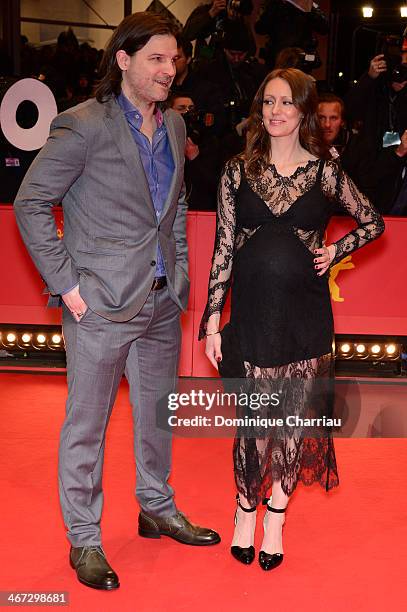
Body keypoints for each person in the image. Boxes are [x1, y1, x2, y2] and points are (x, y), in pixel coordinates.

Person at [14, 12, 220, 592]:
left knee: (158, 416)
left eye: (174, 59)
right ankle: (84, 538)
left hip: (159, 303)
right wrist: (69, 287)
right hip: (99, 305)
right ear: (124, 60)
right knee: (88, 426)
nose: (168, 70)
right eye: (156, 58)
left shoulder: (175, 129)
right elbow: (31, 203)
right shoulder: (81, 126)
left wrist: (177, 273)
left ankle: (156, 505)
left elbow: (173, 207)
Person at [200, 68, 384, 571]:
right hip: (252, 317)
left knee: (291, 425)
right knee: (254, 423)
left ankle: (275, 519)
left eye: (285, 103)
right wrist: (212, 319)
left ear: (303, 111)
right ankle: (244, 510)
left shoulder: (325, 172)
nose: (275, 111)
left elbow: (373, 221)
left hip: (306, 316)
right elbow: (222, 250)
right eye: (268, 102)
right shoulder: (238, 170)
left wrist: (335, 248)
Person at [345, 52, 407, 214]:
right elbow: (350, 109)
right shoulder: (375, 88)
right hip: (370, 163)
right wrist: (369, 77)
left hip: (398, 163)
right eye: (399, 70)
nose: (402, 77)